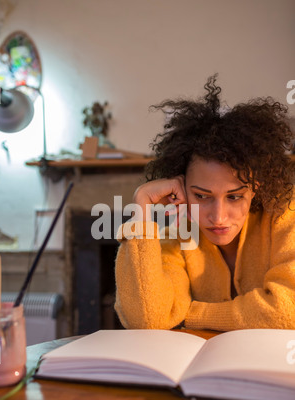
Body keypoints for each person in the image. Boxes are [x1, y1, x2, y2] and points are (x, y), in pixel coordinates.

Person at [114, 75, 295, 331]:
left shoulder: (285, 214)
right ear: (182, 188)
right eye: (201, 196)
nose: (218, 217)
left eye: (234, 196)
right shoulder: (179, 234)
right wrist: (141, 209)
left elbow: (288, 312)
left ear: (256, 187)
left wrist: (193, 314)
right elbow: (146, 319)